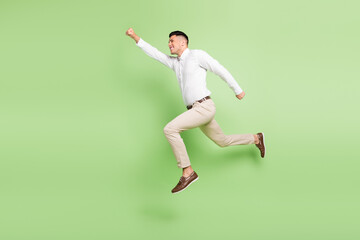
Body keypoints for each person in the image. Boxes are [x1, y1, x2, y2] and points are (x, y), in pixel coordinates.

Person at [125, 28, 265, 194]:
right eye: (168, 41)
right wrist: (135, 37)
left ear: (183, 42)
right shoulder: (175, 63)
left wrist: (237, 89)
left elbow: (219, 69)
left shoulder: (197, 55)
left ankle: (188, 172)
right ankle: (256, 138)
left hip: (204, 106)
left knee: (170, 129)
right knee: (222, 141)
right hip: (196, 111)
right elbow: (155, 53)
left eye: (172, 41)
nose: (169, 44)